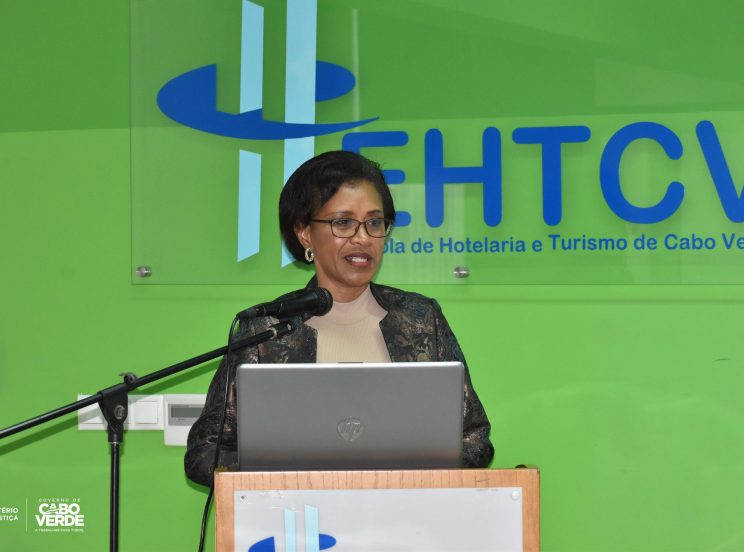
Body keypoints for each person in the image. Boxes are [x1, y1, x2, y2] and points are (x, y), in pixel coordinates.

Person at [185, 151, 494, 487]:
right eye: (343, 222)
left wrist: (406, 472)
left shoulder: (421, 319)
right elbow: (205, 454)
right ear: (304, 233)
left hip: (403, 514)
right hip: (298, 516)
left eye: (374, 222)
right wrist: (293, 473)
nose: (362, 238)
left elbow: (475, 439)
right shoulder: (265, 330)